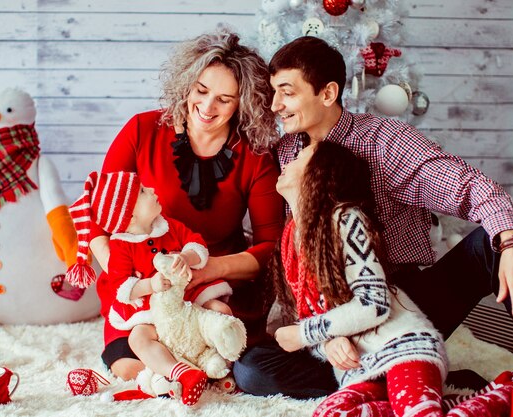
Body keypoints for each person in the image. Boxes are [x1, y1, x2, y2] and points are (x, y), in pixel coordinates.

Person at [233, 35, 513, 397]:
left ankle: (402, 366)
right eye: (273, 92)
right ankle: (401, 377)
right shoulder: (285, 155)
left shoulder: (384, 142)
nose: (275, 105)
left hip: (401, 303)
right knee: (253, 371)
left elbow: (469, 186)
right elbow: (296, 269)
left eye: (287, 92)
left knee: (503, 244)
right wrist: (325, 334)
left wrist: (511, 241)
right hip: (327, 310)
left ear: (328, 93)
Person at [87, 29, 284, 382]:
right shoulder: (141, 129)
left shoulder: (255, 156)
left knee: (230, 364)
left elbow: (271, 246)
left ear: (244, 102)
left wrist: (208, 271)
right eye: (202, 91)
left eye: (225, 99)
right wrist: (132, 282)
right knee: (129, 367)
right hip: (141, 283)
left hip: (216, 284)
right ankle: (173, 373)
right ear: (187, 83)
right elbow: (99, 222)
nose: (208, 108)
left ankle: (194, 367)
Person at [272, 140, 450, 416]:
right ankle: (453, 402)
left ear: (318, 173)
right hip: (359, 369)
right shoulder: (290, 241)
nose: (287, 163)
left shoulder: (345, 219)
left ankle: (506, 392)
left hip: (401, 347)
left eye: (299, 158)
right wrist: (325, 343)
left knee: (418, 413)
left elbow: (374, 303)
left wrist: (304, 335)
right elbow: (318, 317)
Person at [67, 171, 232, 405]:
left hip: (187, 300)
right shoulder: (121, 246)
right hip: (151, 310)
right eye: (143, 191)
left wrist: (187, 256)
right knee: (138, 338)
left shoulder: (168, 226)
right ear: (130, 217)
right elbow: (121, 286)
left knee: (220, 310)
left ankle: (222, 365)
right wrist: (149, 285)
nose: (152, 190)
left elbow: (197, 243)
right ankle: (180, 372)